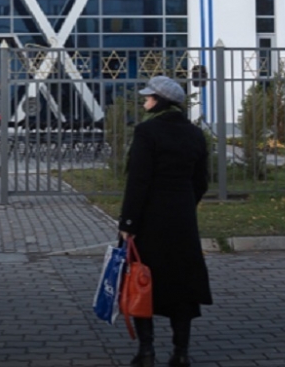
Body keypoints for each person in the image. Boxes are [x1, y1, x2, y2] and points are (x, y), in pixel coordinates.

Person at [119, 75, 213, 367]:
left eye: (149, 97)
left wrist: (128, 223)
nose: (145, 101)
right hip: (182, 219)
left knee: (142, 281)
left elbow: (138, 181)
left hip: (149, 220)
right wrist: (185, 204)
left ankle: (146, 351)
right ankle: (181, 352)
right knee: (182, 286)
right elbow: (201, 181)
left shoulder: (147, 132)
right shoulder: (194, 134)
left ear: (160, 101)